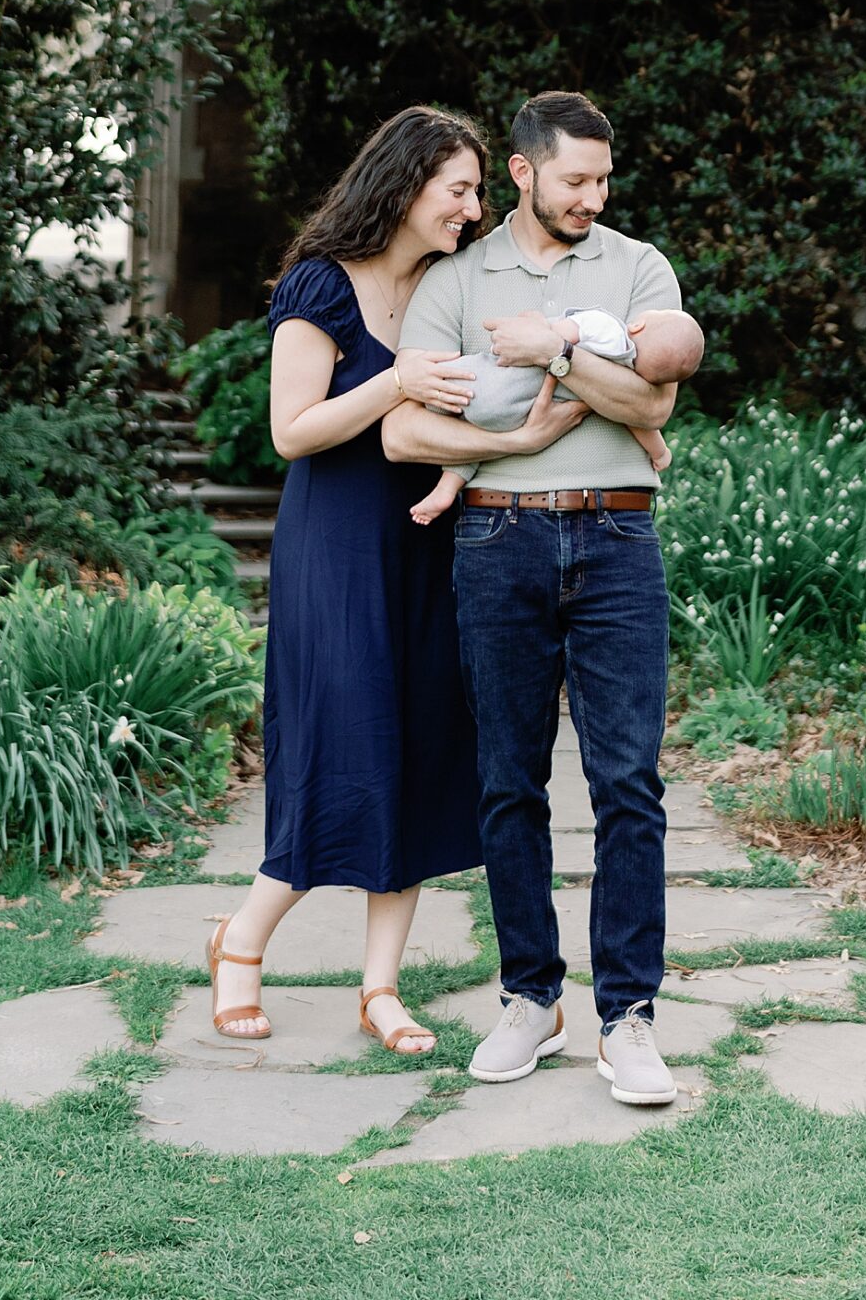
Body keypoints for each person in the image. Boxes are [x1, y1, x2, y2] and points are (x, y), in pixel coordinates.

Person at [205, 105, 575, 1056]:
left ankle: (380, 989)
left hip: (429, 538)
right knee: (341, 740)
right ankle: (240, 942)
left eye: (478, 190)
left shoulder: (449, 288)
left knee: (415, 748)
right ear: (407, 185)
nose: (474, 206)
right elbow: (293, 431)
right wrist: (396, 381)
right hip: (336, 547)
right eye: (459, 188)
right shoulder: (318, 286)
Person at [384, 90, 692, 1108]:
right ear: (521, 172)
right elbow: (408, 431)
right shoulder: (454, 279)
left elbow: (649, 399)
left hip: (615, 535)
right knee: (507, 782)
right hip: (495, 539)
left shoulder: (638, 267)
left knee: (626, 784)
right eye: (574, 180)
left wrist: (556, 350)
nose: (592, 197)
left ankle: (628, 1018)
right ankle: (530, 998)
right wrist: (514, 435)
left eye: (602, 180)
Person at [407, 307, 706, 521]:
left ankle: (408, 382)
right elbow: (638, 423)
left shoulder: (609, 328)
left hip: (492, 381)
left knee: (438, 385)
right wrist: (661, 453)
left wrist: (532, 320)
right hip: (512, 417)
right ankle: (447, 489)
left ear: (639, 325)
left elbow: (548, 340)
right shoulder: (621, 381)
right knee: (482, 445)